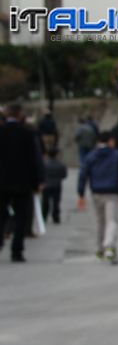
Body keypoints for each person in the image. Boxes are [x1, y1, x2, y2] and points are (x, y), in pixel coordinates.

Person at [77, 131, 118, 265]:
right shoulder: (117, 155)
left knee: (100, 221)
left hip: (96, 192)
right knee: (112, 220)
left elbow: (83, 174)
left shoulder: (91, 155)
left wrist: (81, 193)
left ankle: (100, 248)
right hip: (112, 192)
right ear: (111, 141)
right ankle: (109, 246)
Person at [0, 103, 44, 263]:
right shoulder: (27, 134)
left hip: (2, 182)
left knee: (1, 214)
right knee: (21, 217)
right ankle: (16, 250)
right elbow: (35, 159)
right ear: (19, 114)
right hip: (22, 182)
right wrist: (38, 180)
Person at [42, 147, 67, 224]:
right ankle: (56, 217)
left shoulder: (44, 164)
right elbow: (64, 175)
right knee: (56, 202)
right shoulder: (61, 164)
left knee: (45, 202)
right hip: (57, 185)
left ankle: (44, 217)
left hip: (46, 185)